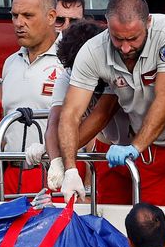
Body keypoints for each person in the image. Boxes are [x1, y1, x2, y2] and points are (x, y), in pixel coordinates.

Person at [59, 0, 165, 219]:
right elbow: (70, 113)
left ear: (148, 23)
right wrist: (69, 167)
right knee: (152, 223)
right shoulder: (93, 51)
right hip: (152, 147)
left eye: (133, 39)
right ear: (107, 27)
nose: (126, 48)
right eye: (118, 39)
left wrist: (135, 147)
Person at [26, 20, 134, 204]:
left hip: (138, 146)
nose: (79, 73)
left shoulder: (113, 66)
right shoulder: (68, 73)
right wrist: (54, 160)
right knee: (110, 209)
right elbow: (56, 121)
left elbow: (100, 116)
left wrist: (58, 151)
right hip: (107, 147)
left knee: (147, 211)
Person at [0, 0, 74, 199]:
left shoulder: (72, 60)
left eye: (27, 15)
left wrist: (87, 188)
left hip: (55, 175)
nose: (18, 23)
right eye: (14, 15)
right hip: (10, 175)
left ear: (51, 16)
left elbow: (87, 128)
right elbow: (4, 134)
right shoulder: (10, 63)